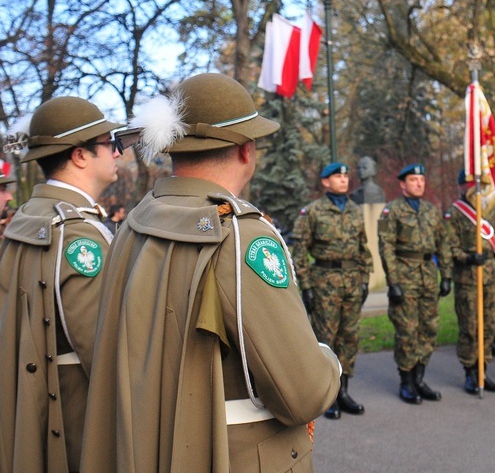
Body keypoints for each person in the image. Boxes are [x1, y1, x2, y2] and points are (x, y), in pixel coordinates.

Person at [81, 73, 341, 472]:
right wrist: (328, 361)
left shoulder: (131, 226)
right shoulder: (239, 234)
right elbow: (303, 394)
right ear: (245, 150)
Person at [0, 96, 124, 472]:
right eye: (108, 144)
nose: (117, 153)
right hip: (75, 423)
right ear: (80, 155)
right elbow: (103, 351)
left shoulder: (27, 218)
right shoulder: (78, 234)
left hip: (27, 411)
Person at [292, 161, 373, 419]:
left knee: (350, 337)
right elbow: (299, 252)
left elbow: (363, 247)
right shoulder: (313, 212)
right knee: (326, 339)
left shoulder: (354, 211)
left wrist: (364, 280)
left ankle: (344, 391)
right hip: (325, 281)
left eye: (346, 176)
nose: (344, 179)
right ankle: (328, 396)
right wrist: (306, 287)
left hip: (351, 279)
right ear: (325, 182)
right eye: (337, 176)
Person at [379, 164, 452, 403]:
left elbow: (443, 244)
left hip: (428, 276)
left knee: (428, 329)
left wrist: (447, 275)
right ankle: (407, 382)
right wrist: (394, 282)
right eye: (413, 180)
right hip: (405, 275)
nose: (419, 183)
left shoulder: (432, 211)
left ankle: (420, 379)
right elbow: (386, 246)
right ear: (403, 184)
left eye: (422, 179)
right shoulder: (391, 211)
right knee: (407, 331)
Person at [444, 169, 495, 395]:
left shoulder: (489, 212)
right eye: (470, 184)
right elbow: (450, 246)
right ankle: (470, 372)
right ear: (461, 187)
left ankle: (483, 371)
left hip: (490, 278)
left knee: (489, 326)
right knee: (470, 328)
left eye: (478, 184)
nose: (475, 189)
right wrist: (466, 257)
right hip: (468, 280)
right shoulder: (456, 213)